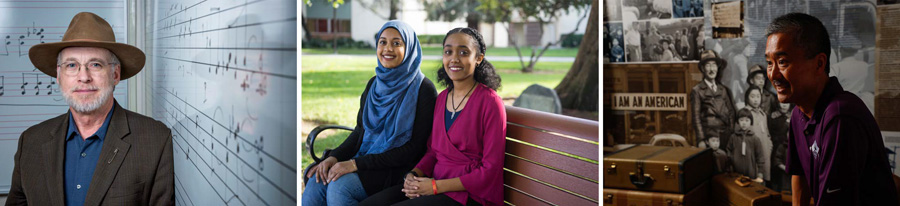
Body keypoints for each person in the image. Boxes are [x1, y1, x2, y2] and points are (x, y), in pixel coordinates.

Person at [6, 12, 174, 205]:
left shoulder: (155, 140)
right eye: (72, 65)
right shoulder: (31, 141)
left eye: (95, 64)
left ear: (115, 74)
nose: (83, 77)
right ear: (59, 76)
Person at [361, 27, 506, 206]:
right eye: (448, 51)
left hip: (470, 195)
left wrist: (435, 187)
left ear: (478, 58)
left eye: (463, 52)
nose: (454, 58)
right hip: (434, 184)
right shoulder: (442, 98)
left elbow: (490, 170)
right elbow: (433, 152)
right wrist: (413, 175)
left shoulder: (490, 103)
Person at [765, 13, 898, 205]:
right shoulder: (798, 113)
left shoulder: (840, 117)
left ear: (819, 63)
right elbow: (799, 174)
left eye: (783, 62)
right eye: (770, 63)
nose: (773, 74)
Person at [302, 20, 438, 205]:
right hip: (367, 159)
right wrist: (333, 157)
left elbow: (414, 149)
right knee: (317, 179)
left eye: (396, 43)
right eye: (382, 42)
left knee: (340, 186)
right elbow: (360, 131)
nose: (387, 49)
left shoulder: (424, 89)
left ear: (410, 48)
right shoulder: (374, 85)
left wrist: (354, 164)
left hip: (399, 169)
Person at [691, 50, 736, 148]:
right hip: (709, 137)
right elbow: (696, 117)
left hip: (725, 135)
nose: (712, 69)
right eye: (708, 66)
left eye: (714, 65)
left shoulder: (722, 89)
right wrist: (701, 139)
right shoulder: (697, 90)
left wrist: (731, 132)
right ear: (703, 69)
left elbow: (731, 112)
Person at [727, 108, 765, 182]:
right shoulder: (733, 137)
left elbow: (760, 156)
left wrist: (760, 173)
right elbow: (728, 151)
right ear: (738, 121)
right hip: (736, 171)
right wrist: (730, 165)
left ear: (751, 122)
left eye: (747, 120)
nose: (744, 123)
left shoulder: (755, 139)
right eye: (741, 120)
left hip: (750, 172)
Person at [744, 87, 772, 184]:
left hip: (765, 151)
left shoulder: (762, 114)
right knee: (753, 179)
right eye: (752, 96)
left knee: (764, 179)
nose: (756, 99)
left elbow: (767, 133)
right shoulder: (745, 113)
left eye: (758, 96)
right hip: (752, 152)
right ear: (747, 98)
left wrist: (769, 146)